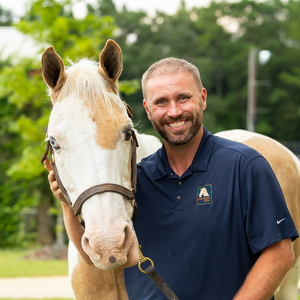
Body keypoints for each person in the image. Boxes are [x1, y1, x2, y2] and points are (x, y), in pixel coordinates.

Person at [45, 57, 298, 300]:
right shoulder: (137, 181)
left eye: (184, 98)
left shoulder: (246, 165)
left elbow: (280, 254)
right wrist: (67, 202)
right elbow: (94, 256)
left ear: (203, 98)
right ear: (147, 109)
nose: (174, 111)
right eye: (161, 102)